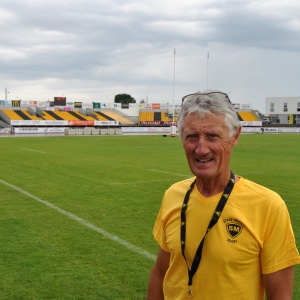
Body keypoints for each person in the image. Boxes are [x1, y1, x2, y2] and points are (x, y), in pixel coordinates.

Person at [146, 90, 300, 300]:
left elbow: (280, 295)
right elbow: (161, 273)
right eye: (192, 136)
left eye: (212, 136)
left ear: (235, 136)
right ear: (182, 138)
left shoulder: (268, 206)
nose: (201, 149)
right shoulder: (173, 195)